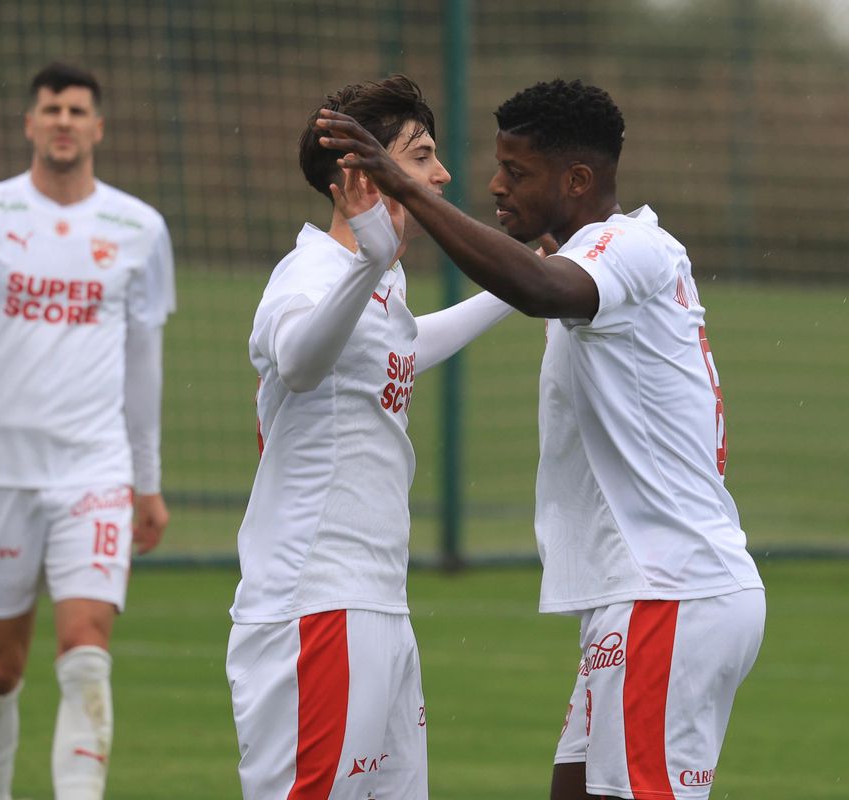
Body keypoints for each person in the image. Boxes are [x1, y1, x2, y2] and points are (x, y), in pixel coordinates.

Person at [317, 78, 766, 800]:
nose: (496, 185)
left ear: (577, 180)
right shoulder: (603, 252)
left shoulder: (627, 246)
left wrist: (406, 189)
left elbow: (541, 289)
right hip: (641, 596)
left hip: (672, 591)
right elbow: (534, 284)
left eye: (516, 172)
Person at [227, 75, 515, 799]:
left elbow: (406, 346)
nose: (441, 174)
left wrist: (522, 283)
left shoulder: (382, 282)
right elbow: (298, 362)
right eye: (420, 156)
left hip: (376, 600)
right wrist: (367, 263)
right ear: (360, 174)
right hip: (315, 602)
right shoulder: (310, 271)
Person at [0, 62, 174, 800]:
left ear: (98, 128)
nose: (63, 121)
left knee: (86, 648)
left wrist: (146, 482)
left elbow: (144, 365)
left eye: (77, 110)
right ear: (30, 124)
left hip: (95, 471)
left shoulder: (139, 228)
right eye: (51, 109)